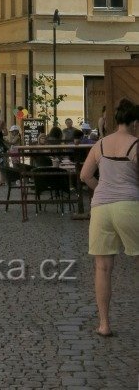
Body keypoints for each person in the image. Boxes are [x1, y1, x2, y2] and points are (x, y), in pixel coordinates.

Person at [80, 99, 139, 338]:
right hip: (129, 206)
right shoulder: (136, 144)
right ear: (135, 123)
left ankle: (104, 324)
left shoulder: (100, 144)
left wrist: (101, 189)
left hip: (101, 208)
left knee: (102, 268)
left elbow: (85, 175)